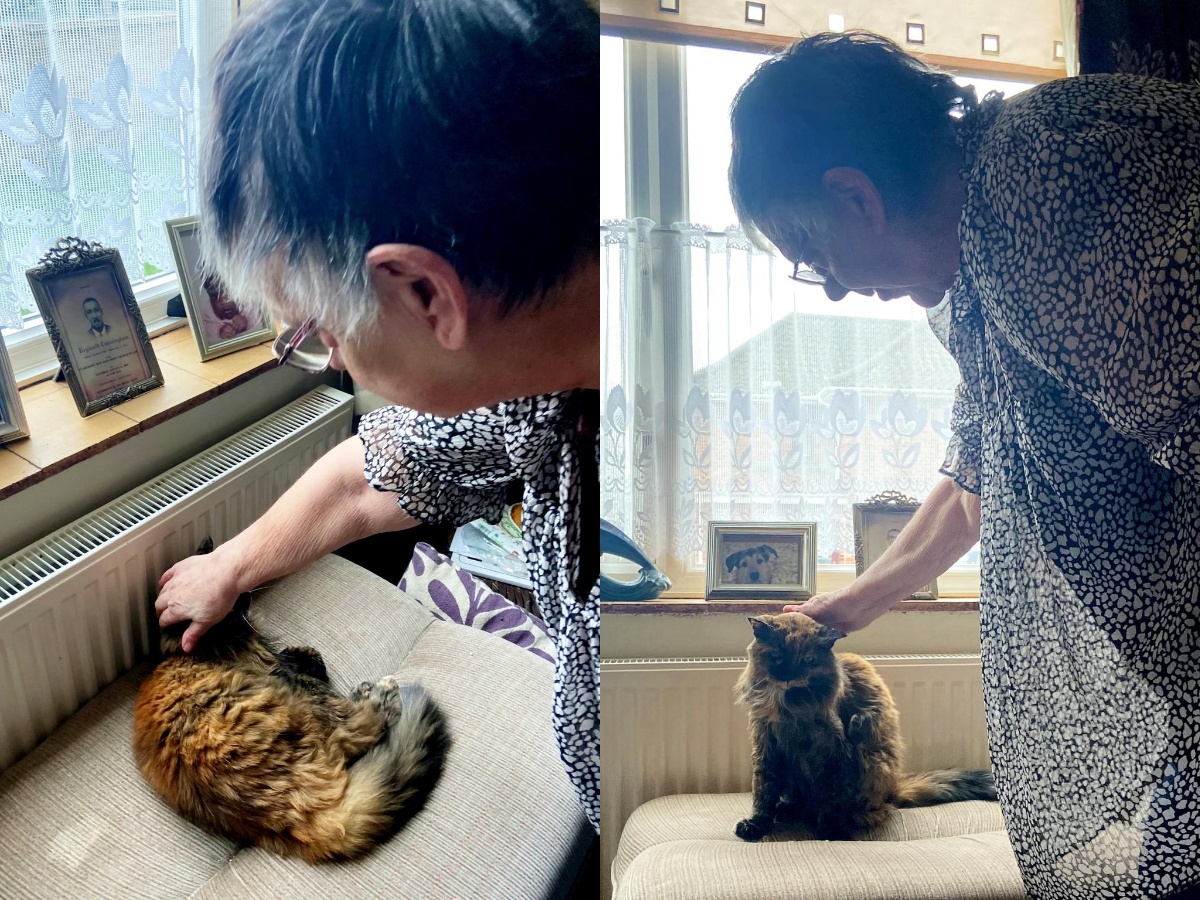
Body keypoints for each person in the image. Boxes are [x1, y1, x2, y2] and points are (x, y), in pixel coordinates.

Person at [728, 31, 1200, 900]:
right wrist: (846, 608)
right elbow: (977, 475)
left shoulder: (1045, 185)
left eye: (808, 250)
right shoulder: (984, 246)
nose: (828, 285)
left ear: (854, 195)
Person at [153, 0, 600, 829]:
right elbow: (372, 476)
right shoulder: (540, 375)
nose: (333, 357)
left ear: (426, 292)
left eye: (322, 328)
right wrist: (231, 567)